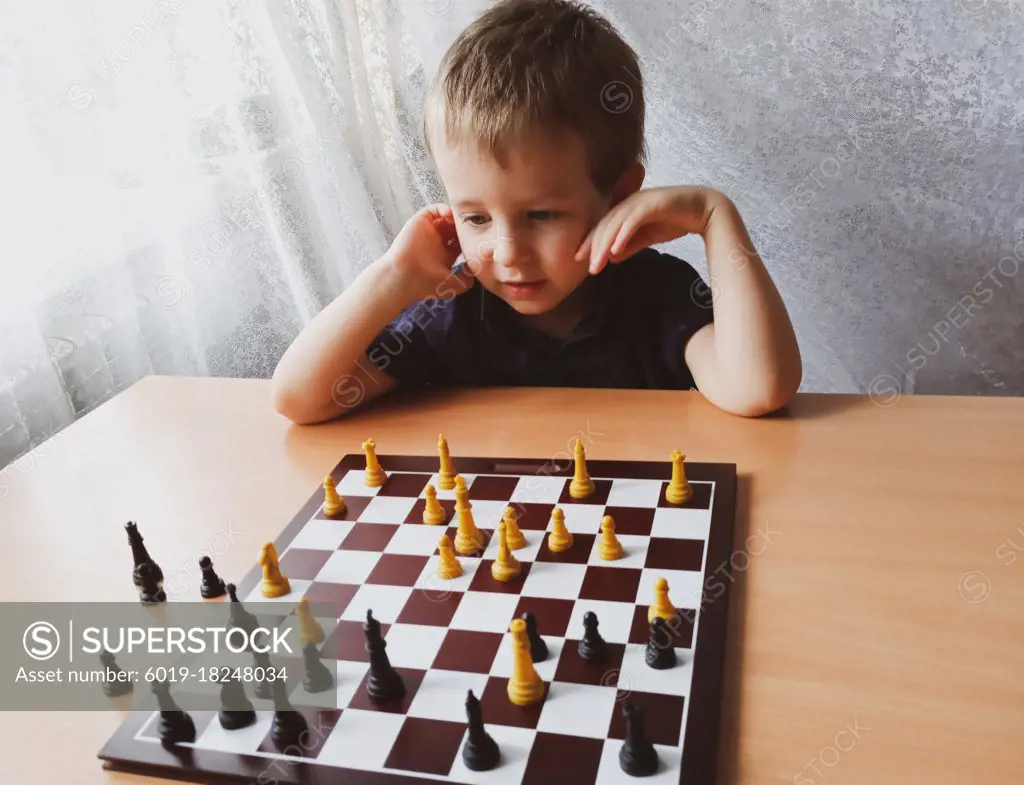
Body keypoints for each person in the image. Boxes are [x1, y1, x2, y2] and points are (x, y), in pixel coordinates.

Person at [272, 0, 801, 425]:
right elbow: (300, 399)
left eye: (542, 216)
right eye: (475, 218)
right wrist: (392, 278)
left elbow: (759, 388)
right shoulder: (454, 312)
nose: (507, 253)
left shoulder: (655, 296)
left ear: (619, 197)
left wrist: (715, 218)